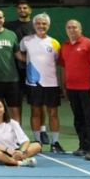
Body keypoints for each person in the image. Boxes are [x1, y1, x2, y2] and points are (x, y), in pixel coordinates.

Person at [19, 13, 64, 153]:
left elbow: (60, 61)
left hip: (52, 83)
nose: (41, 26)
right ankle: (37, 142)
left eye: (44, 23)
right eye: (38, 23)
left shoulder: (55, 43)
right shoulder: (26, 41)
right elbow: (20, 54)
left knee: (53, 112)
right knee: (35, 111)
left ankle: (55, 143)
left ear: (48, 26)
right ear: (34, 25)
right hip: (33, 84)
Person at [59, 19, 90, 161]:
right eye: (69, 27)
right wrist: (64, 86)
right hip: (72, 89)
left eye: (74, 27)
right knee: (78, 119)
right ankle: (83, 146)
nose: (72, 30)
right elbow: (63, 67)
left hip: (88, 89)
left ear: (80, 29)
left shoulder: (89, 44)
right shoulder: (64, 46)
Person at [7, 0, 48, 143]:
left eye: (25, 8)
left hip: (34, 71)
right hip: (15, 70)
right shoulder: (9, 27)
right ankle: (17, 132)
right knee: (15, 104)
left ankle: (42, 131)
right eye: (19, 8)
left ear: (30, 10)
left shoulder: (36, 26)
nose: (22, 10)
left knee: (38, 103)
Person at [0, 98, 40, 167]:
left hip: (14, 152)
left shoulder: (13, 123)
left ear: (4, 109)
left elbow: (26, 141)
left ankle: (5, 161)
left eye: (0, 106)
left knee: (37, 146)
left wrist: (22, 151)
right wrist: (7, 150)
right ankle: (20, 162)